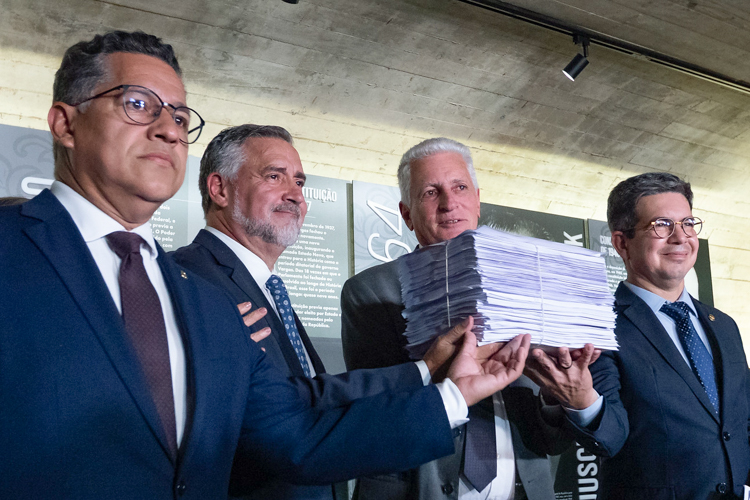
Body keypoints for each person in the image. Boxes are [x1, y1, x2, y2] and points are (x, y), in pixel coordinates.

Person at [0, 31, 533, 499]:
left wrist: (453, 394)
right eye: (138, 104)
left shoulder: (197, 300)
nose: (168, 129)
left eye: (179, 117)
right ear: (65, 122)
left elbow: (294, 435)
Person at [172, 124, 467, 499]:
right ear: (220, 189)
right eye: (274, 176)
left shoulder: (265, 287)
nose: (295, 194)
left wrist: (425, 369)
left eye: (299, 182)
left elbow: (307, 399)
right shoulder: (187, 279)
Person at [341, 137, 574, 500]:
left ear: (478, 200)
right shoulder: (370, 292)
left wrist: (555, 392)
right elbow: (378, 415)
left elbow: (551, 437)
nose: (449, 203)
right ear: (406, 214)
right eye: (430, 192)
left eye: (460, 187)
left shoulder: (527, 285)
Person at [530, 172, 750, 498]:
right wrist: (582, 402)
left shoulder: (724, 325)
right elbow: (611, 439)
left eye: (688, 223)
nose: (680, 237)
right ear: (622, 243)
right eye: (662, 225)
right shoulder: (599, 325)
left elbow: (741, 423)